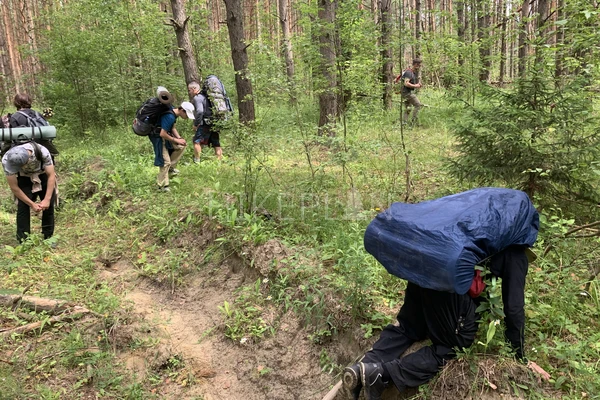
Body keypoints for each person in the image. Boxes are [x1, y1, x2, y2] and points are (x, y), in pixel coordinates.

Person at [343, 245, 550, 400]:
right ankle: (379, 374)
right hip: (448, 287)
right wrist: (519, 356)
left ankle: (363, 367)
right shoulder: (516, 252)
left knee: (408, 328)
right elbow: (514, 308)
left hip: (423, 269)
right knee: (452, 347)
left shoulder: (474, 230)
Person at [2, 141, 56, 243]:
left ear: (28, 160)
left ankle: (48, 237)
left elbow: (51, 175)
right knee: (23, 207)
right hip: (23, 178)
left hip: (43, 174)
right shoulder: (6, 160)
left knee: (48, 206)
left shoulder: (42, 151)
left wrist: (47, 199)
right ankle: (23, 240)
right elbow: (14, 187)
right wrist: (32, 204)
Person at [148, 101, 194, 192]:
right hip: (158, 137)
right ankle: (162, 185)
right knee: (165, 161)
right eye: (187, 114)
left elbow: (172, 128)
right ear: (182, 110)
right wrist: (176, 140)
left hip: (164, 135)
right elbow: (162, 134)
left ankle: (170, 169)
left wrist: (179, 138)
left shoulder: (173, 113)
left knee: (180, 147)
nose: (187, 117)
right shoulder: (169, 116)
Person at [9, 93, 58, 160]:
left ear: (16, 103)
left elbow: (14, 138)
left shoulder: (15, 117)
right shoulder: (37, 114)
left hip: (26, 153)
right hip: (44, 149)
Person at [187, 81, 223, 163]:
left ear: (194, 89)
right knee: (216, 143)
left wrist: (196, 124)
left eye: (189, 90)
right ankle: (219, 162)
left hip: (205, 123)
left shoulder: (197, 98)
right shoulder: (208, 97)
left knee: (196, 141)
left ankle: (197, 162)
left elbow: (200, 111)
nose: (189, 92)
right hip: (214, 123)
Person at [395, 59, 423, 125]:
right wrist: (416, 86)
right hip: (407, 93)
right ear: (416, 65)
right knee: (418, 105)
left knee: (408, 108)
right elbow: (406, 83)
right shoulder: (409, 72)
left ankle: (404, 123)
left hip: (405, 92)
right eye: (419, 65)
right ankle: (414, 122)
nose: (419, 67)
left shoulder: (411, 72)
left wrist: (417, 84)